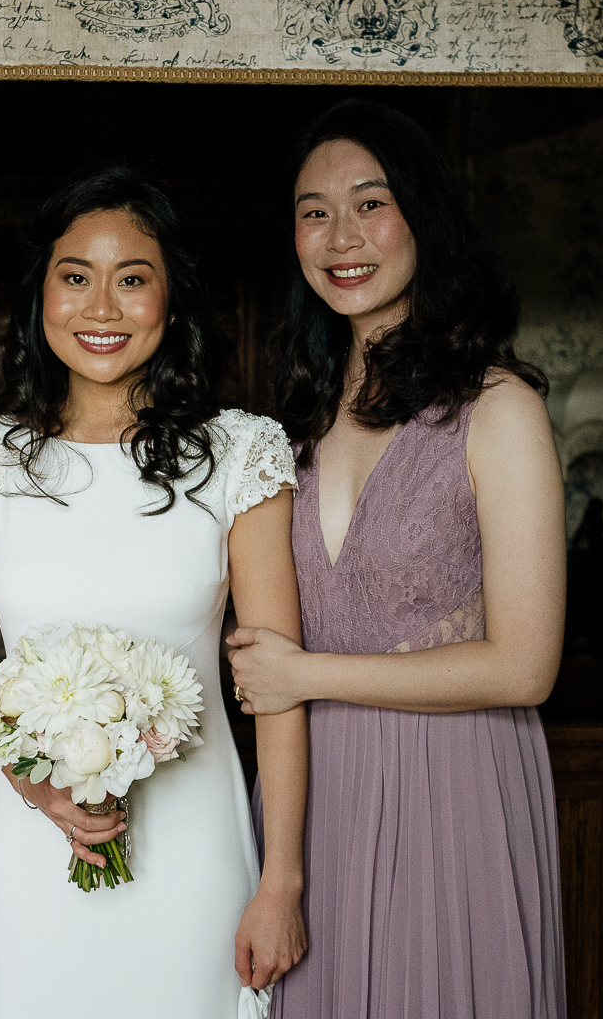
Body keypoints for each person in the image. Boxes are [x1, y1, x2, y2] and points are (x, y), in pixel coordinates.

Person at [0, 166, 309, 1018]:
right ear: (41, 297)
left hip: (192, 845)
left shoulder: (240, 456)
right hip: (26, 841)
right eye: (75, 277)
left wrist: (281, 882)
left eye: (132, 279)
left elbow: (276, 686)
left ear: (171, 304)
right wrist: (36, 788)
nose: (100, 307)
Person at [227, 99, 567, 1019]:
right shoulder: (284, 421)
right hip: (311, 788)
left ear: (424, 215)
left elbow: (526, 666)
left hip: (453, 781)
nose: (342, 236)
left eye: (371, 203)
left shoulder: (498, 410)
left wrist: (302, 672)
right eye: (313, 211)